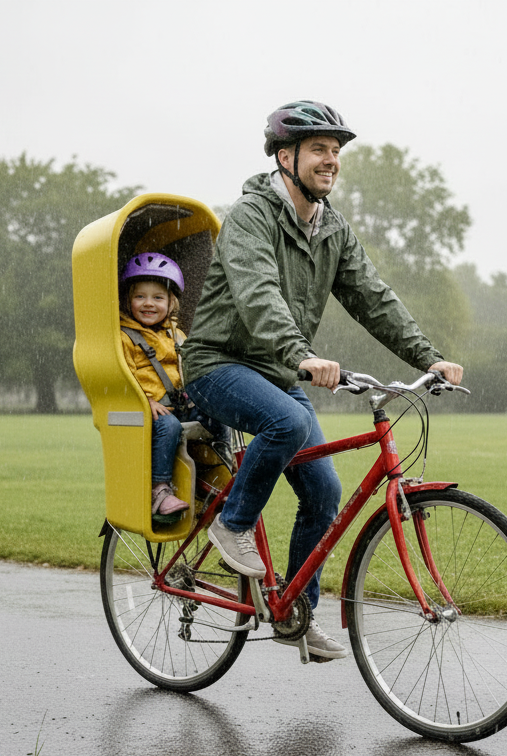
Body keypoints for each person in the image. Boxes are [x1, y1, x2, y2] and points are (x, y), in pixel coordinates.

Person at [181, 100, 464, 660]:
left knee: (325, 491)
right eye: (319, 150)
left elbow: (372, 298)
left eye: (335, 152)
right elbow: (258, 291)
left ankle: (295, 611)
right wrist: (301, 354)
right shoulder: (250, 216)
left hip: (277, 369)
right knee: (286, 421)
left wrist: (427, 356)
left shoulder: (331, 228)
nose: (330, 161)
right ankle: (232, 525)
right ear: (285, 157)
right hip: (217, 363)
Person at [119, 252, 230, 520]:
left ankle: (221, 467)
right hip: (152, 411)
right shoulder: (124, 338)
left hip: (183, 405)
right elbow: (123, 378)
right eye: (140, 296)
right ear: (128, 301)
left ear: (171, 303)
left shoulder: (177, 336)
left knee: (220, 409)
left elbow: (194, 368)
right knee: (167, 425)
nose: (148, 303)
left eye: (158, 297)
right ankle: (160, 490)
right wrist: (145, 402)